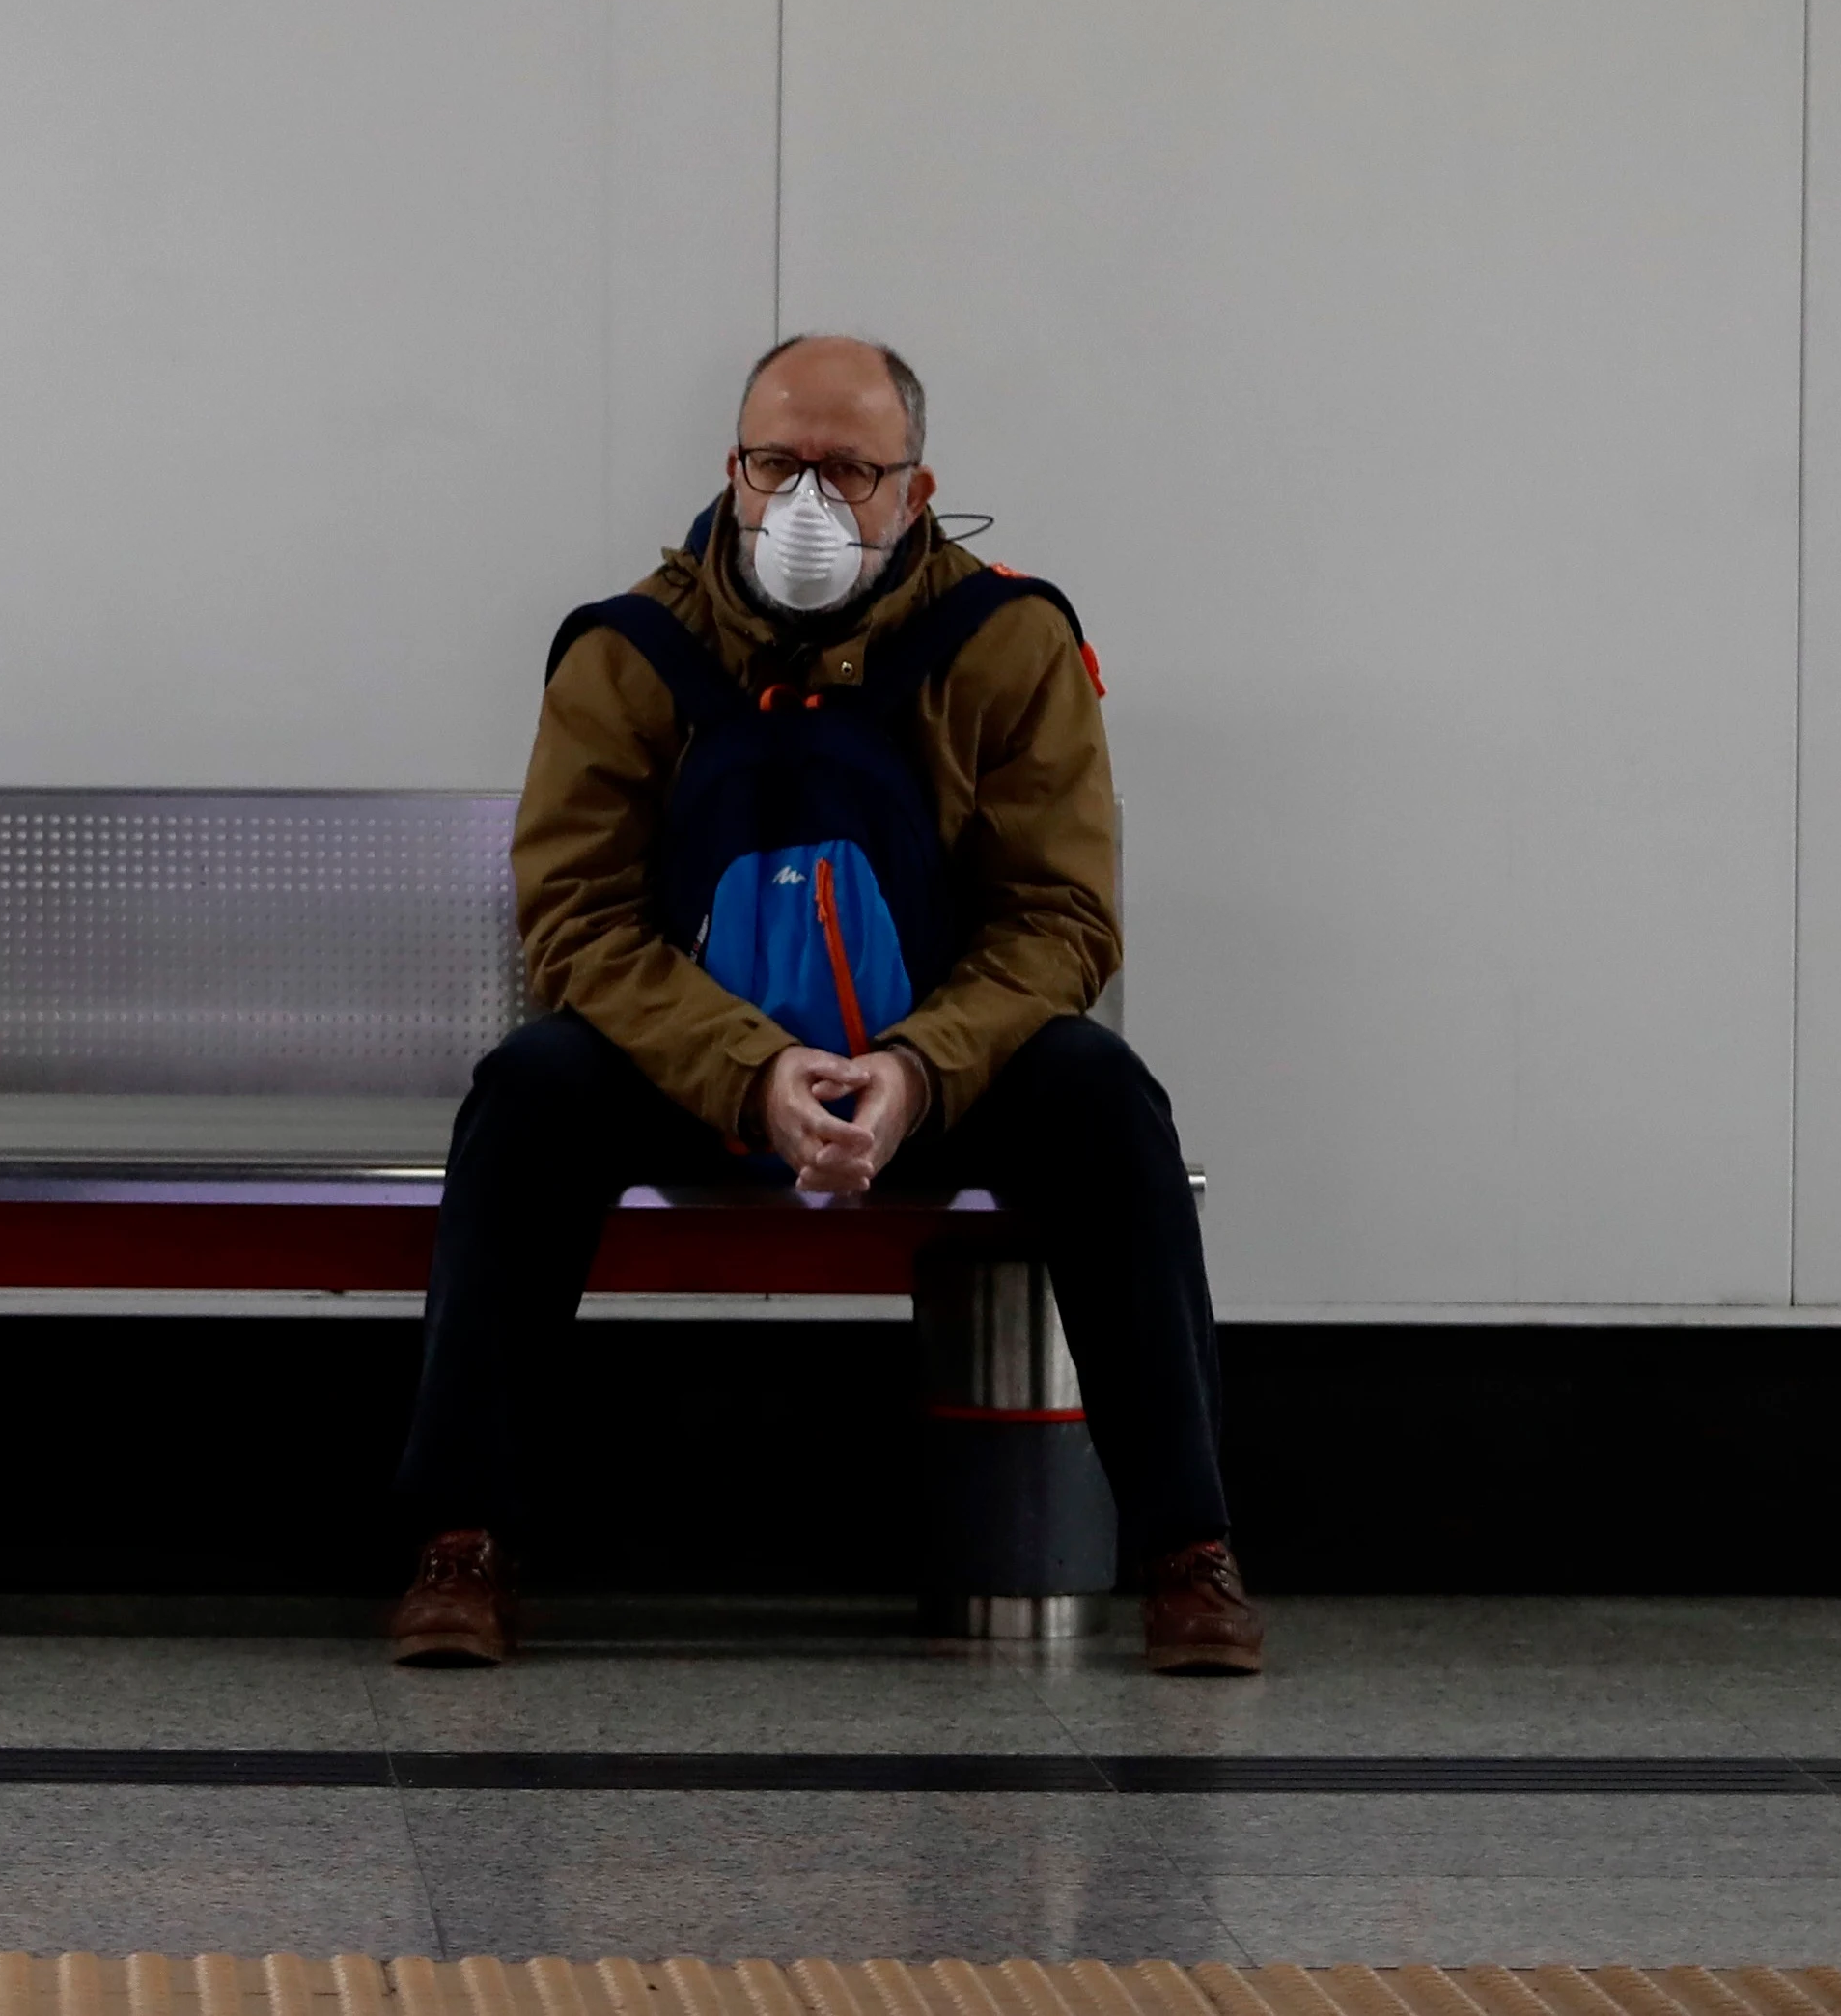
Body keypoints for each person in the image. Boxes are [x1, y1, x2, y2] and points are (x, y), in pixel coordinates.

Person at [386, 333, 1261, 1677]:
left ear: (918, 489)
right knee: (527, 1095)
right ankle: (463, 1540)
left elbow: (1060, 921)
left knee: (1105, 1100)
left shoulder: (1010, 644)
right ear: (731, 471)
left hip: (941, 1062)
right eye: (777, 463)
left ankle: (1187, 1552)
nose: (807, 500)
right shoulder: (630, 651)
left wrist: (914, 1070)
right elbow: (578, 924)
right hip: (689, 1063)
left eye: (850, 470)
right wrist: (750, 1070)